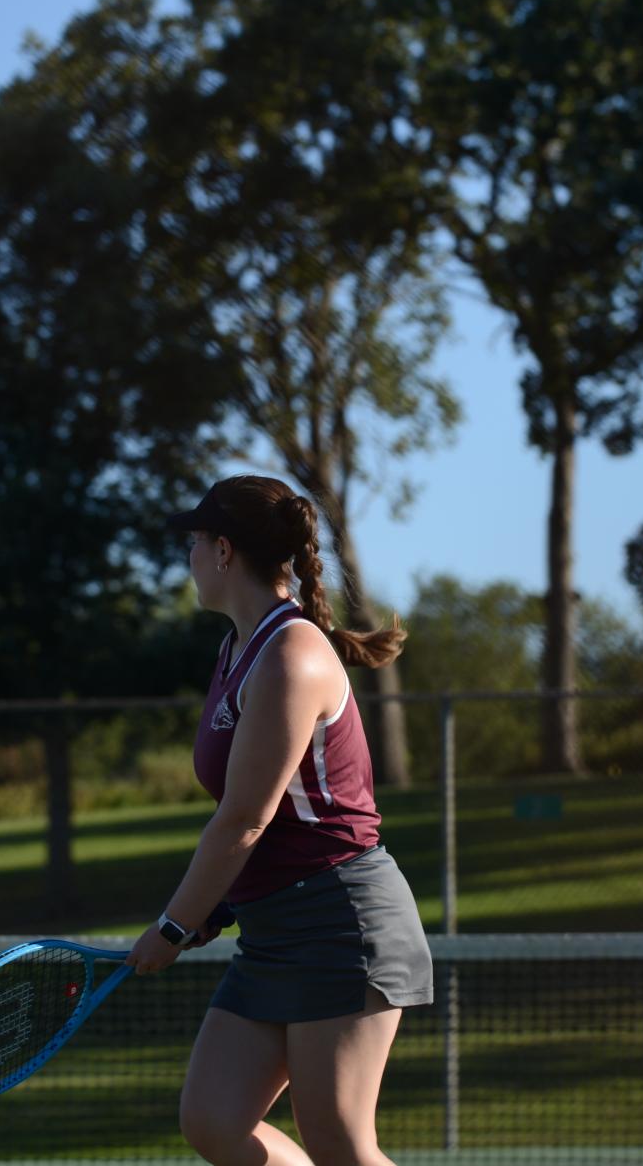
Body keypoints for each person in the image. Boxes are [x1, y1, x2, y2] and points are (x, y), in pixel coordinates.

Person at [126, 475, 433, 1166]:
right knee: (213, 1119)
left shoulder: (291, 656)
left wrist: (174, 925)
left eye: (195, 542)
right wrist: (219, 907)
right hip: (273, 930)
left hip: (340, 924)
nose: (190, 556)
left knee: (339, 1143)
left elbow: (244, 817)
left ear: (224, 551)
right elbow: (271, 813)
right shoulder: (236, 650)